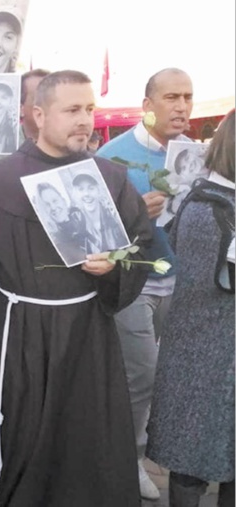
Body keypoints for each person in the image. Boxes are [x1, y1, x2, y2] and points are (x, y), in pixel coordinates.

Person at [0, 70, 153, 506]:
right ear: (39, 115)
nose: (85, 120)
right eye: (72, 110)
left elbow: (140, 244)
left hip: (83, 333)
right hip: (16, 332)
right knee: (17, 439)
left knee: (81, 440)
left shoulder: (111, 179)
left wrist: (115, 267)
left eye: (89, 110)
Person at [97, 67, 194, 501]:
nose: (182, 106)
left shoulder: (196, 155)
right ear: (147, 106)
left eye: (188, 97)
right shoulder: (112, 156)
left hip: (180, 281)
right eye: (171, 97)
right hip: (133, 282)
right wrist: (135, 214)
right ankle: (132, 458)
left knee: (166, 375)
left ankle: (157, 448)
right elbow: (94, 227)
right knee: (143, 372)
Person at [146, 110, 235, 507]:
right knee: (195, 462)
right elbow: (212, 286)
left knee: (209, 458)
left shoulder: (205, 200)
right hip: (207, 355)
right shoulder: (209, 207)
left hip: (205, 353)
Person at [71, 172, 128, 253]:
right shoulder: (76, 224)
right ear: (76, 194)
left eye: (91, 188)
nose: (86, 194)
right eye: (81, 189)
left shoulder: (113, 215)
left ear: (98, 190)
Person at [35, 181, 89, 264]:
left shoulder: (81, 216)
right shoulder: (54, 239)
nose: (53, 207)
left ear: (63, 200)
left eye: (55, 201)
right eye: (47, 205)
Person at [21, 69, 51, 141]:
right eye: (39, 98)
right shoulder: (3, 145)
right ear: (20, 109)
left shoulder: (74, 143)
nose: (49, 105)